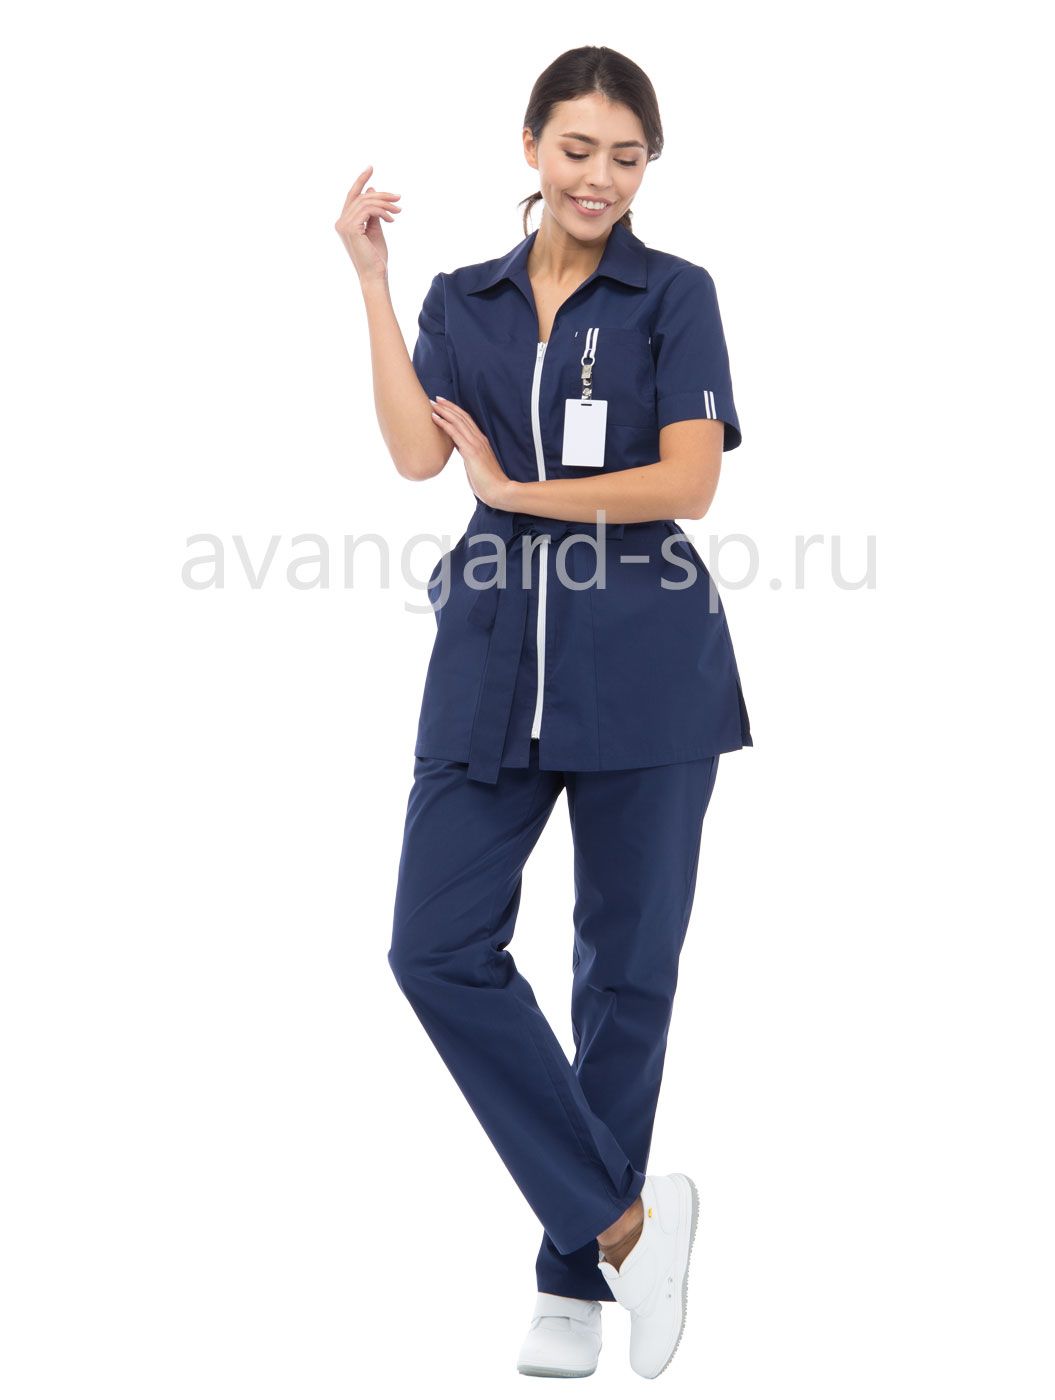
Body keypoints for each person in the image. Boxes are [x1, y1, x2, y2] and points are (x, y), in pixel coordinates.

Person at [336, 45, 753, 1382]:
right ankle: (624, 1228)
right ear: (530, 147)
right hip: (490, 661)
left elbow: (688, 483)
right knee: (433, 947)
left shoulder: (673, 297)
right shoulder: (463, 299)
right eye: (578, 150)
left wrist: (520, 496)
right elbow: (418, 454)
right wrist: (372, 282)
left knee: (624, 980)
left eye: (627, 158)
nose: (600, 178)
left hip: (649, 666)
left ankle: (570, 1284)